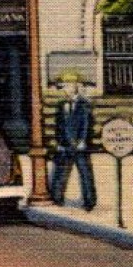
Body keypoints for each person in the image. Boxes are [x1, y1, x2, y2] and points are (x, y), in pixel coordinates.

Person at [50, 72, 97, 210]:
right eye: (64, 86)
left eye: (69, 86)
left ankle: (89, 201)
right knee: (61, 172)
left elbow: (86, 124)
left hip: (79, 145)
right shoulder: (61, 105)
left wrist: (83, 140)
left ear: (76, 86)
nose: (67, 89)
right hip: (65, 145)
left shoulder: (84, 104)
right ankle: (57, 198)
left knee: (84, 173)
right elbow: (58, 126)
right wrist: (59, 142)